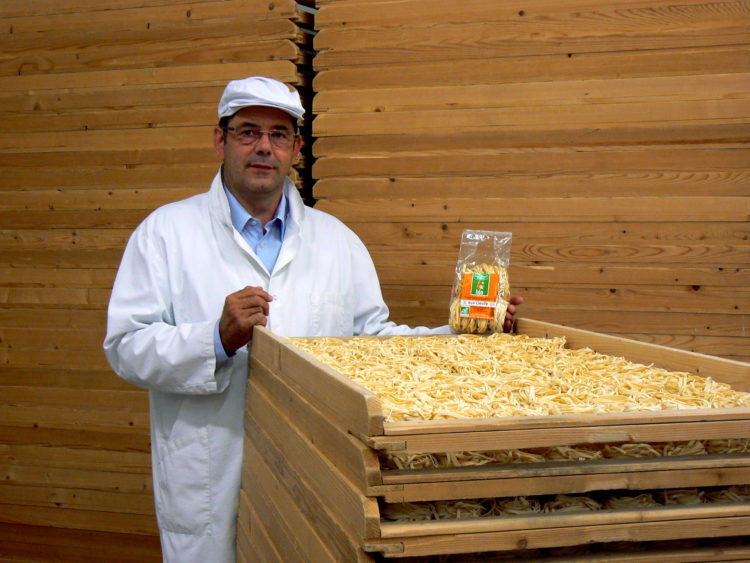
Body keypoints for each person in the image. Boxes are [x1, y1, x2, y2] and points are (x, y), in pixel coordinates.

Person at [103, 76, 523, 562]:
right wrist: (214, 340)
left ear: (296, 149)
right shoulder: (165, 234)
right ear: (220, 141)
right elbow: (126, 346)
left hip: (314, 469)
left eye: (279, 135)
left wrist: (468, 329)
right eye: (247, 132)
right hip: (209, 474)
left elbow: (375, 342)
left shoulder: (337, 241)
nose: (264, 147)